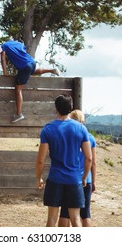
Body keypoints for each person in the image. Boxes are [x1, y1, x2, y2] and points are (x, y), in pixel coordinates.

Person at [36, 95, 92, 227]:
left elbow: (40, 160)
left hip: (55, 179)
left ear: (56, 109)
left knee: (51, 219)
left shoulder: (48, 129)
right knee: (76, 218)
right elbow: (89, 158)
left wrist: (39, 178)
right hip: (74, 179)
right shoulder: (81, 128)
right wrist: (84, 177)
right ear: (70, 108)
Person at [0, 40, 59, 123]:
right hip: (31, 61)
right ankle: (51, 70)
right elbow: (23, 52)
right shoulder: (19, 43)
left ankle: (19, 114)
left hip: (24, 67)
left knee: (18, 89)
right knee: (33, 71)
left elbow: (3, 58)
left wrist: (5, 72)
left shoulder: (4, 46)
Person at [58, 109, 97, 227]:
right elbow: (93, 162)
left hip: (69, 178)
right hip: (87, 180)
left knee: (65, 212)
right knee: (86, 213)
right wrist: (93, 181)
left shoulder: (65, 136)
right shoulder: (90, 138)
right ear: (83, 121)